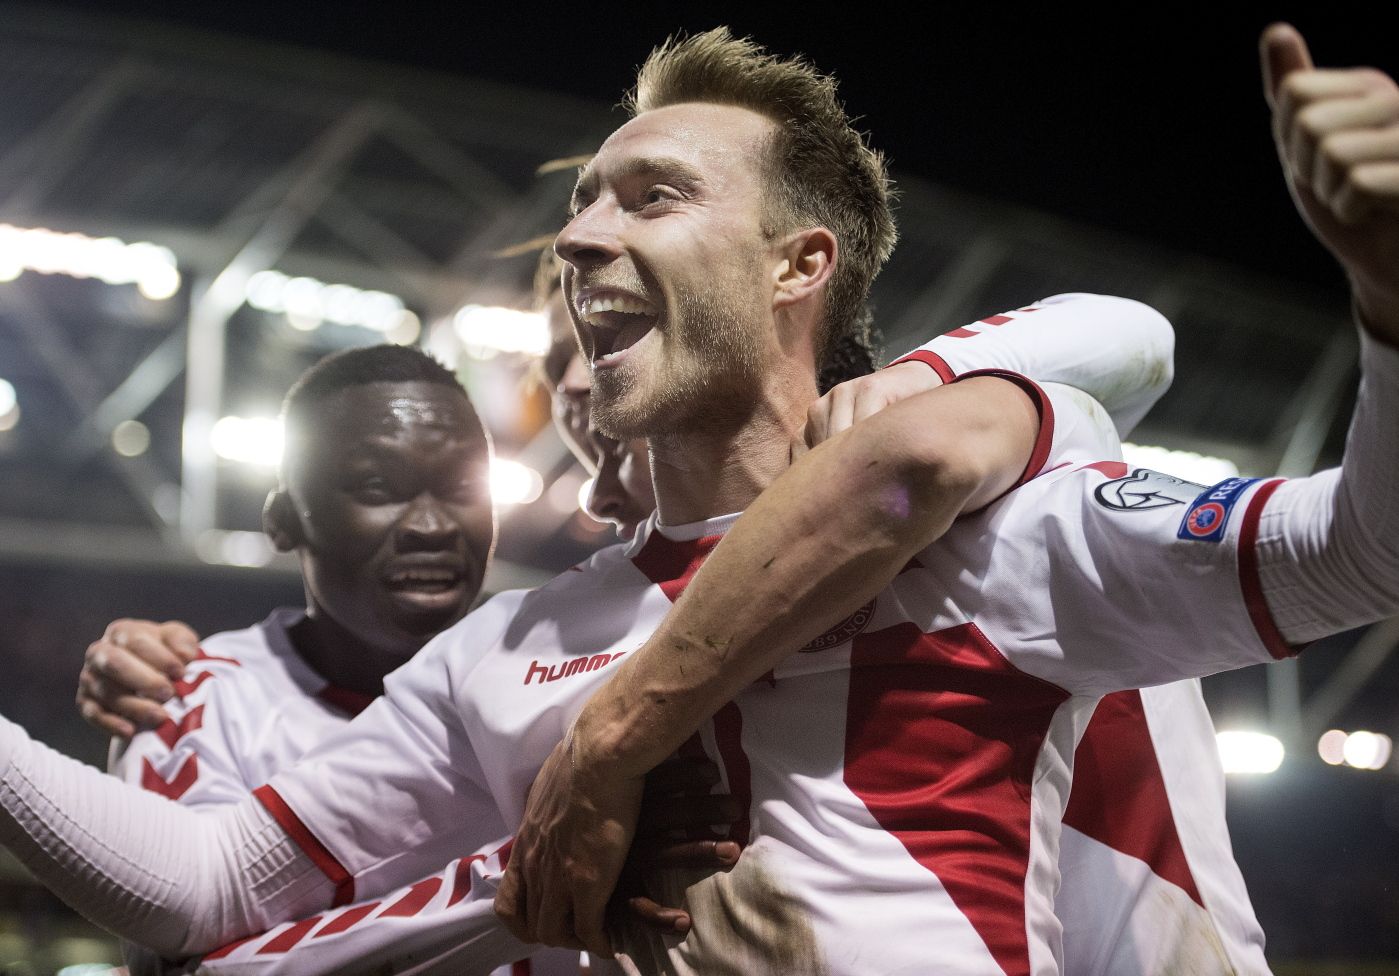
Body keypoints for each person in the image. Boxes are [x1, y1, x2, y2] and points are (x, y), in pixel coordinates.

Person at [0, 21, 1392, 976]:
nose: (585, 237)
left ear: (800, 266)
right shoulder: (508, 647)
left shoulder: (1006, 516)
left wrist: (1385, 298)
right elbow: (210, 880)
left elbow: (1359, 552)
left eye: (653, 198)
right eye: (585, 212)